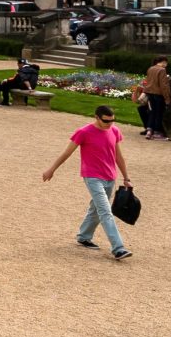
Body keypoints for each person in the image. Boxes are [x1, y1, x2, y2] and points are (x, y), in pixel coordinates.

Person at [41, 105, 133, 260]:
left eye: (112, 120)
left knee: (96, 209)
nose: (110, 124)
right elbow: (67, 152)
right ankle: (118, 248)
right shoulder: (83, 132)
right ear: (96, 117)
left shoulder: (114, 130)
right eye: (106, 121)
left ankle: (84, 236)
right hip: (92, 176)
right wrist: (52, 169)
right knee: (105, 211)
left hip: (110, 176)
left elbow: (118, 156)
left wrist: (126, 178)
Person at [142, 55, 171, 141]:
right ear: (164, 62)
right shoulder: (162, 70)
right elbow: (163, 86)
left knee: (153, 112)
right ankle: (157, 132)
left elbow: (148, 81)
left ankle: (149, 130)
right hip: (159, 94)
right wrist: (167, 98)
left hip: (150, 93)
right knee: (159, 114)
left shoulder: (151, 68)